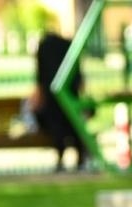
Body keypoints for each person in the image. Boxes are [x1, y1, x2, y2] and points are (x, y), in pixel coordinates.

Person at [28, 31, 90, 171]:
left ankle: (63, 157)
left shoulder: (45, 48)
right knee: (72, 124)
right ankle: (79, 157)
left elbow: (40, 76)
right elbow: (78, 75)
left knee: (57, 125)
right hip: (69, 93)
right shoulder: (68, 46)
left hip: (52, 96)